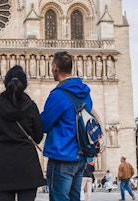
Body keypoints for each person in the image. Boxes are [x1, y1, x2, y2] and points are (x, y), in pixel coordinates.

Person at [0, 65, 46, 201]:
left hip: (4, 167)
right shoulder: (31, 106)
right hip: (28, 166)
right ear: (24, 85)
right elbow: (38, 136)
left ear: (5, 83)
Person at [40, 51, 93, 201]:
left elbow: (44, 124)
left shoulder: (59, 94)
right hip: (80, 156)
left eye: (52, 67)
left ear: (55, 67)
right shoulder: (84, 93)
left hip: (62, 156)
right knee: (74, 197)